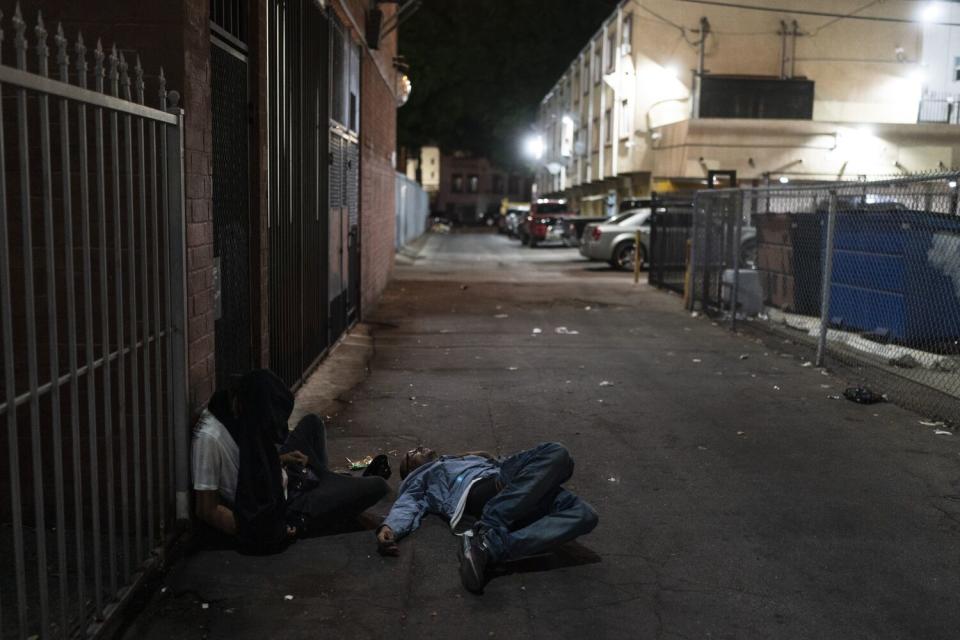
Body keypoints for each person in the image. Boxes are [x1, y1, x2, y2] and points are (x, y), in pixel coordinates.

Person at [192, 369, 390, 553]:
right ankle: (328, 493)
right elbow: (206, 509)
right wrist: (268, 529)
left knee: (312, 423)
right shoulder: (209, 438)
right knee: (378, 486)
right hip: (285, 504)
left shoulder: (233, 410)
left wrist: (279, 459)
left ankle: (327, 483)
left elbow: (251, 461)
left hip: (280, 477)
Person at [376, 442, 598, 593]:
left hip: (514, 486)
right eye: (413, 453)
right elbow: (407, 504)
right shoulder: (422, 477)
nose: (421, 448)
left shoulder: (461, 458)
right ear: (410, 468)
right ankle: (491, 523)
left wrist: (482, 457)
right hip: (488, 490)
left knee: (585, 515)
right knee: (558, 453)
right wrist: (390, 527)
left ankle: (489, 547)